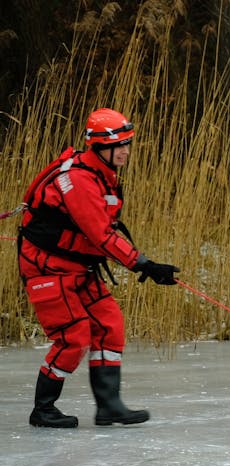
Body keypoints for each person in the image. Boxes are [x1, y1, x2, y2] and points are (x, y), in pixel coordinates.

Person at [18, 107, 180, 428]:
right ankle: (43, 408)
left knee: (110, 324)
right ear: (98, 147)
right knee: (73, 337)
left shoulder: (100, 174)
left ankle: (109, 406)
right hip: (48, 268)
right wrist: (144, 264)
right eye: (117, 145)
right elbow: (101, 235)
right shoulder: (78, 180)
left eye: (127, 144)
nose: (124, 151)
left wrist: (142, 263)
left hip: (77, 267)